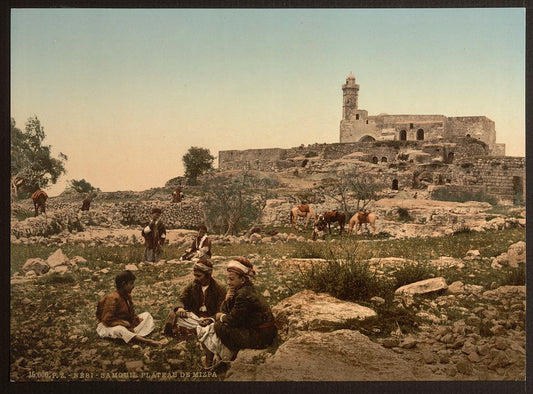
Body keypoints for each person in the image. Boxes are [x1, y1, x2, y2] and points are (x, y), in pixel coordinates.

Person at [196, 257, 277, 370]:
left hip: (260, 337)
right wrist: (227, 300)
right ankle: (216, 359)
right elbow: (229, 312)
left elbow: (232, 320)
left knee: (218, 326)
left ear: (242, 280)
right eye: (228, 279)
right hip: (260, 333)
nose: (228, 282)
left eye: (232, 279)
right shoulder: (242, 290)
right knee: (217, 324)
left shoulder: (243, 294)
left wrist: (220, 317)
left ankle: (227, 357)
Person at [96, 270, 165, 347]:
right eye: (131, 283)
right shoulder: (112, 298)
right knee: (120, 330)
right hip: (108, 327)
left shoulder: (127, 296)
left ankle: (132, 337)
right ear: (123, 284)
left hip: (125, 325)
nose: (133, 286)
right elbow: (107, 320)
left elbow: (131, 315)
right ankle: (147, 341)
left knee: (146, 315)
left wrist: (135, 321)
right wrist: (124, 324)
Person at [162, 259, 226, 337]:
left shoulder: (219, 288)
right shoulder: (193, 285)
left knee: (218, 326)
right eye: (195, 275)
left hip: (211, 320)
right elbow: (181, 299)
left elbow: (221, 310)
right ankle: (197, 331)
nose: (196, 278)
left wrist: (210, 319)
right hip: (194, 318)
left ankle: (193, 331)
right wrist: (180, 308)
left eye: (199, 276)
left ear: (208, 275)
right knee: (174, 313)